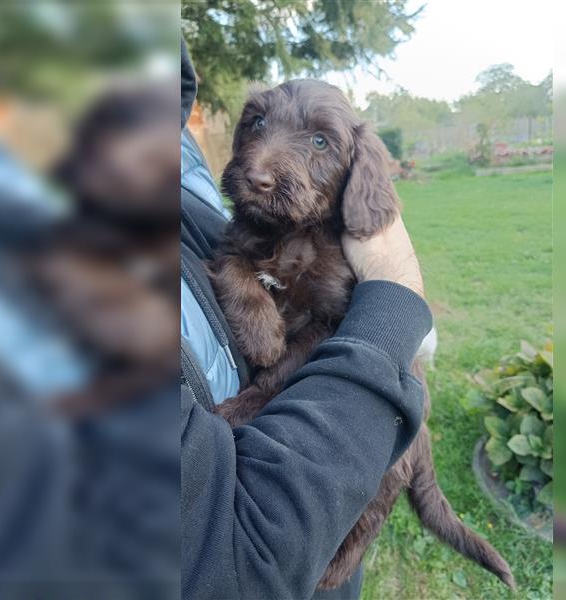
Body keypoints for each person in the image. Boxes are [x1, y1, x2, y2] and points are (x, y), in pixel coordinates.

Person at [180, 40, 432, 600]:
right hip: (267, 527)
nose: (262, 164)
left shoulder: (333, 257)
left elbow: (335, 328)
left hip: (342, 444)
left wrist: (262, 389)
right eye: (259, 124)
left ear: (353, 170)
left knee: (384, 488)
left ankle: (338, 567)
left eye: (319, 142)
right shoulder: (248, 229)